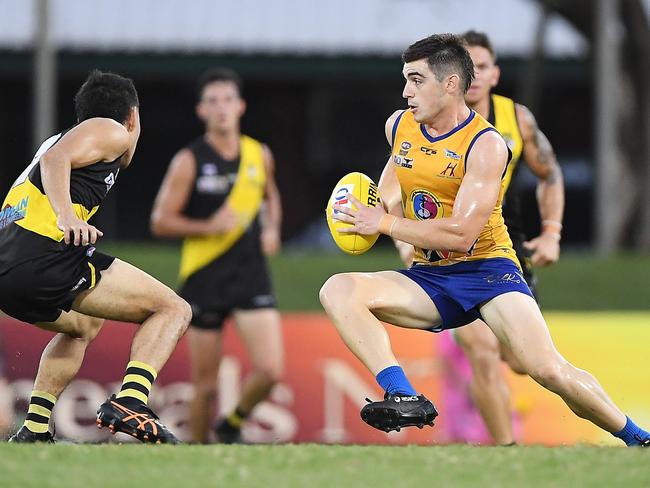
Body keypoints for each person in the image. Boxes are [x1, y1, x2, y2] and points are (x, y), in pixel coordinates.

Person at [320, 34, 650, 446]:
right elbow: (390, 190)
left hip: (488, 271)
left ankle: (638, 439)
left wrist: (383, 225)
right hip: (432, 275)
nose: (406, 91)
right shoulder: (399, 125)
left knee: (546, 369)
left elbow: (462, 234)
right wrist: (359, 213)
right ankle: (403, 393)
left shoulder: (486, 144)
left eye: (416, 80)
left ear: (450, 84)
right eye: (406, 79)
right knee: (338, 288)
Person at [0, 70, 191, 444]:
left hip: (9, 267)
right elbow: (56, 161)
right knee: (173, 309)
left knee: (83, 326)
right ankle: (131, 402)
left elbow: (51, 161)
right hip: (40, 255)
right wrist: (67, 215)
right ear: (133, 116)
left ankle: (35, 429)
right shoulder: (110, 130)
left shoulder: (66, 140)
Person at [430, 29, 565, 445]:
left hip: (505, 247)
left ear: (494, 74)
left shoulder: (516, 119)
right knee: (481, 353)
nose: (473, 75)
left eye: (482, 66)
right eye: (465, 66)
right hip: (452, 248)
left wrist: (552, 234)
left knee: (524, 361)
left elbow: (551, 174)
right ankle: (508, 453)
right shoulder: (428, 119)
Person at [151, 68, 283, 444]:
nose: (221, 108)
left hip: (251, 275)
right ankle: (197, 456)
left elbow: (271, 197)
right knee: (205, 386)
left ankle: (232, 423)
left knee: (271, 370)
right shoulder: (189, 160)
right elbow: (160, 221)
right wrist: (209, 227)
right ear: (201, 110)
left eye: (227, 100)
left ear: (240, 106)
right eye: (212, 101)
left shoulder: (260, 154)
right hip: (204, 277)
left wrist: (272, 229)